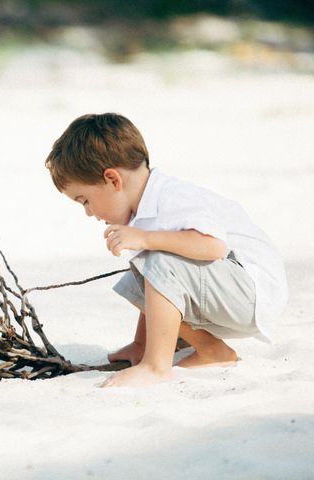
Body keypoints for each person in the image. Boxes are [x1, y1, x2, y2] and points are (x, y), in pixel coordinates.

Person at [45, 113, 288, 388]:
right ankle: (169, 347)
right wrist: (140, 343)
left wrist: (146, 238)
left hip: (251, 295)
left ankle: (157, 367)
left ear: (113, 180)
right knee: (146, 267)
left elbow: (213, 246)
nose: (89, 212)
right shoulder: (148, 207)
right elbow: (157, 277)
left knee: (157, 258)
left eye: (85, 200)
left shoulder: (171, 196)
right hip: (231, 295)